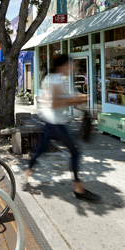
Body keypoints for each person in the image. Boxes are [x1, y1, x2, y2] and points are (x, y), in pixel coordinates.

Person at [24, 54, 101, 201]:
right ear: (62, 65)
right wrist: (77, 99)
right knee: (75, 151)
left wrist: (75, 99)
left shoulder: (50, 78)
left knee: (39, 150)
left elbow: (49, 100)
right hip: (55, 123)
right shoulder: (56, 79)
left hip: (48, 121)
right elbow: (55, 103)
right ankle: (78, 188)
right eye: (71, 64)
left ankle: (26, 177)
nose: (73, 67)